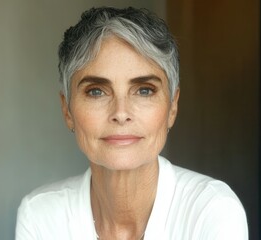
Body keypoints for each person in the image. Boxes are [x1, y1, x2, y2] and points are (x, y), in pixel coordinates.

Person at [16, 6, 248, 240]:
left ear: (172, 107)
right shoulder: (41, 216)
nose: (121, 112)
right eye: (97, 91)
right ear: (67, 110)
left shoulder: (211, 210)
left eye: (144, 90)